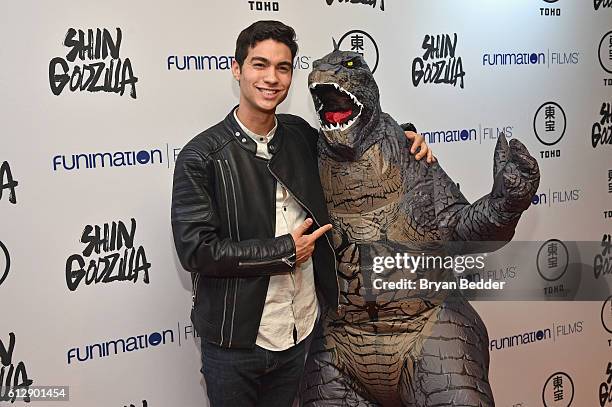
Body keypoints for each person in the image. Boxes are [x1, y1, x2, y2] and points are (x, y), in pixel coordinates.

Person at [171, 20, 433, 407]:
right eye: (259, 65)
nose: (271, 78)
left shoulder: (299, 135)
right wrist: (283, 252)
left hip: (301, 331)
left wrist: (407, 137)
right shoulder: (202, 156)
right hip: (235, 342)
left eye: (283, 67)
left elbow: (355, 144)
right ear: (237, 69)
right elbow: (196, 250)